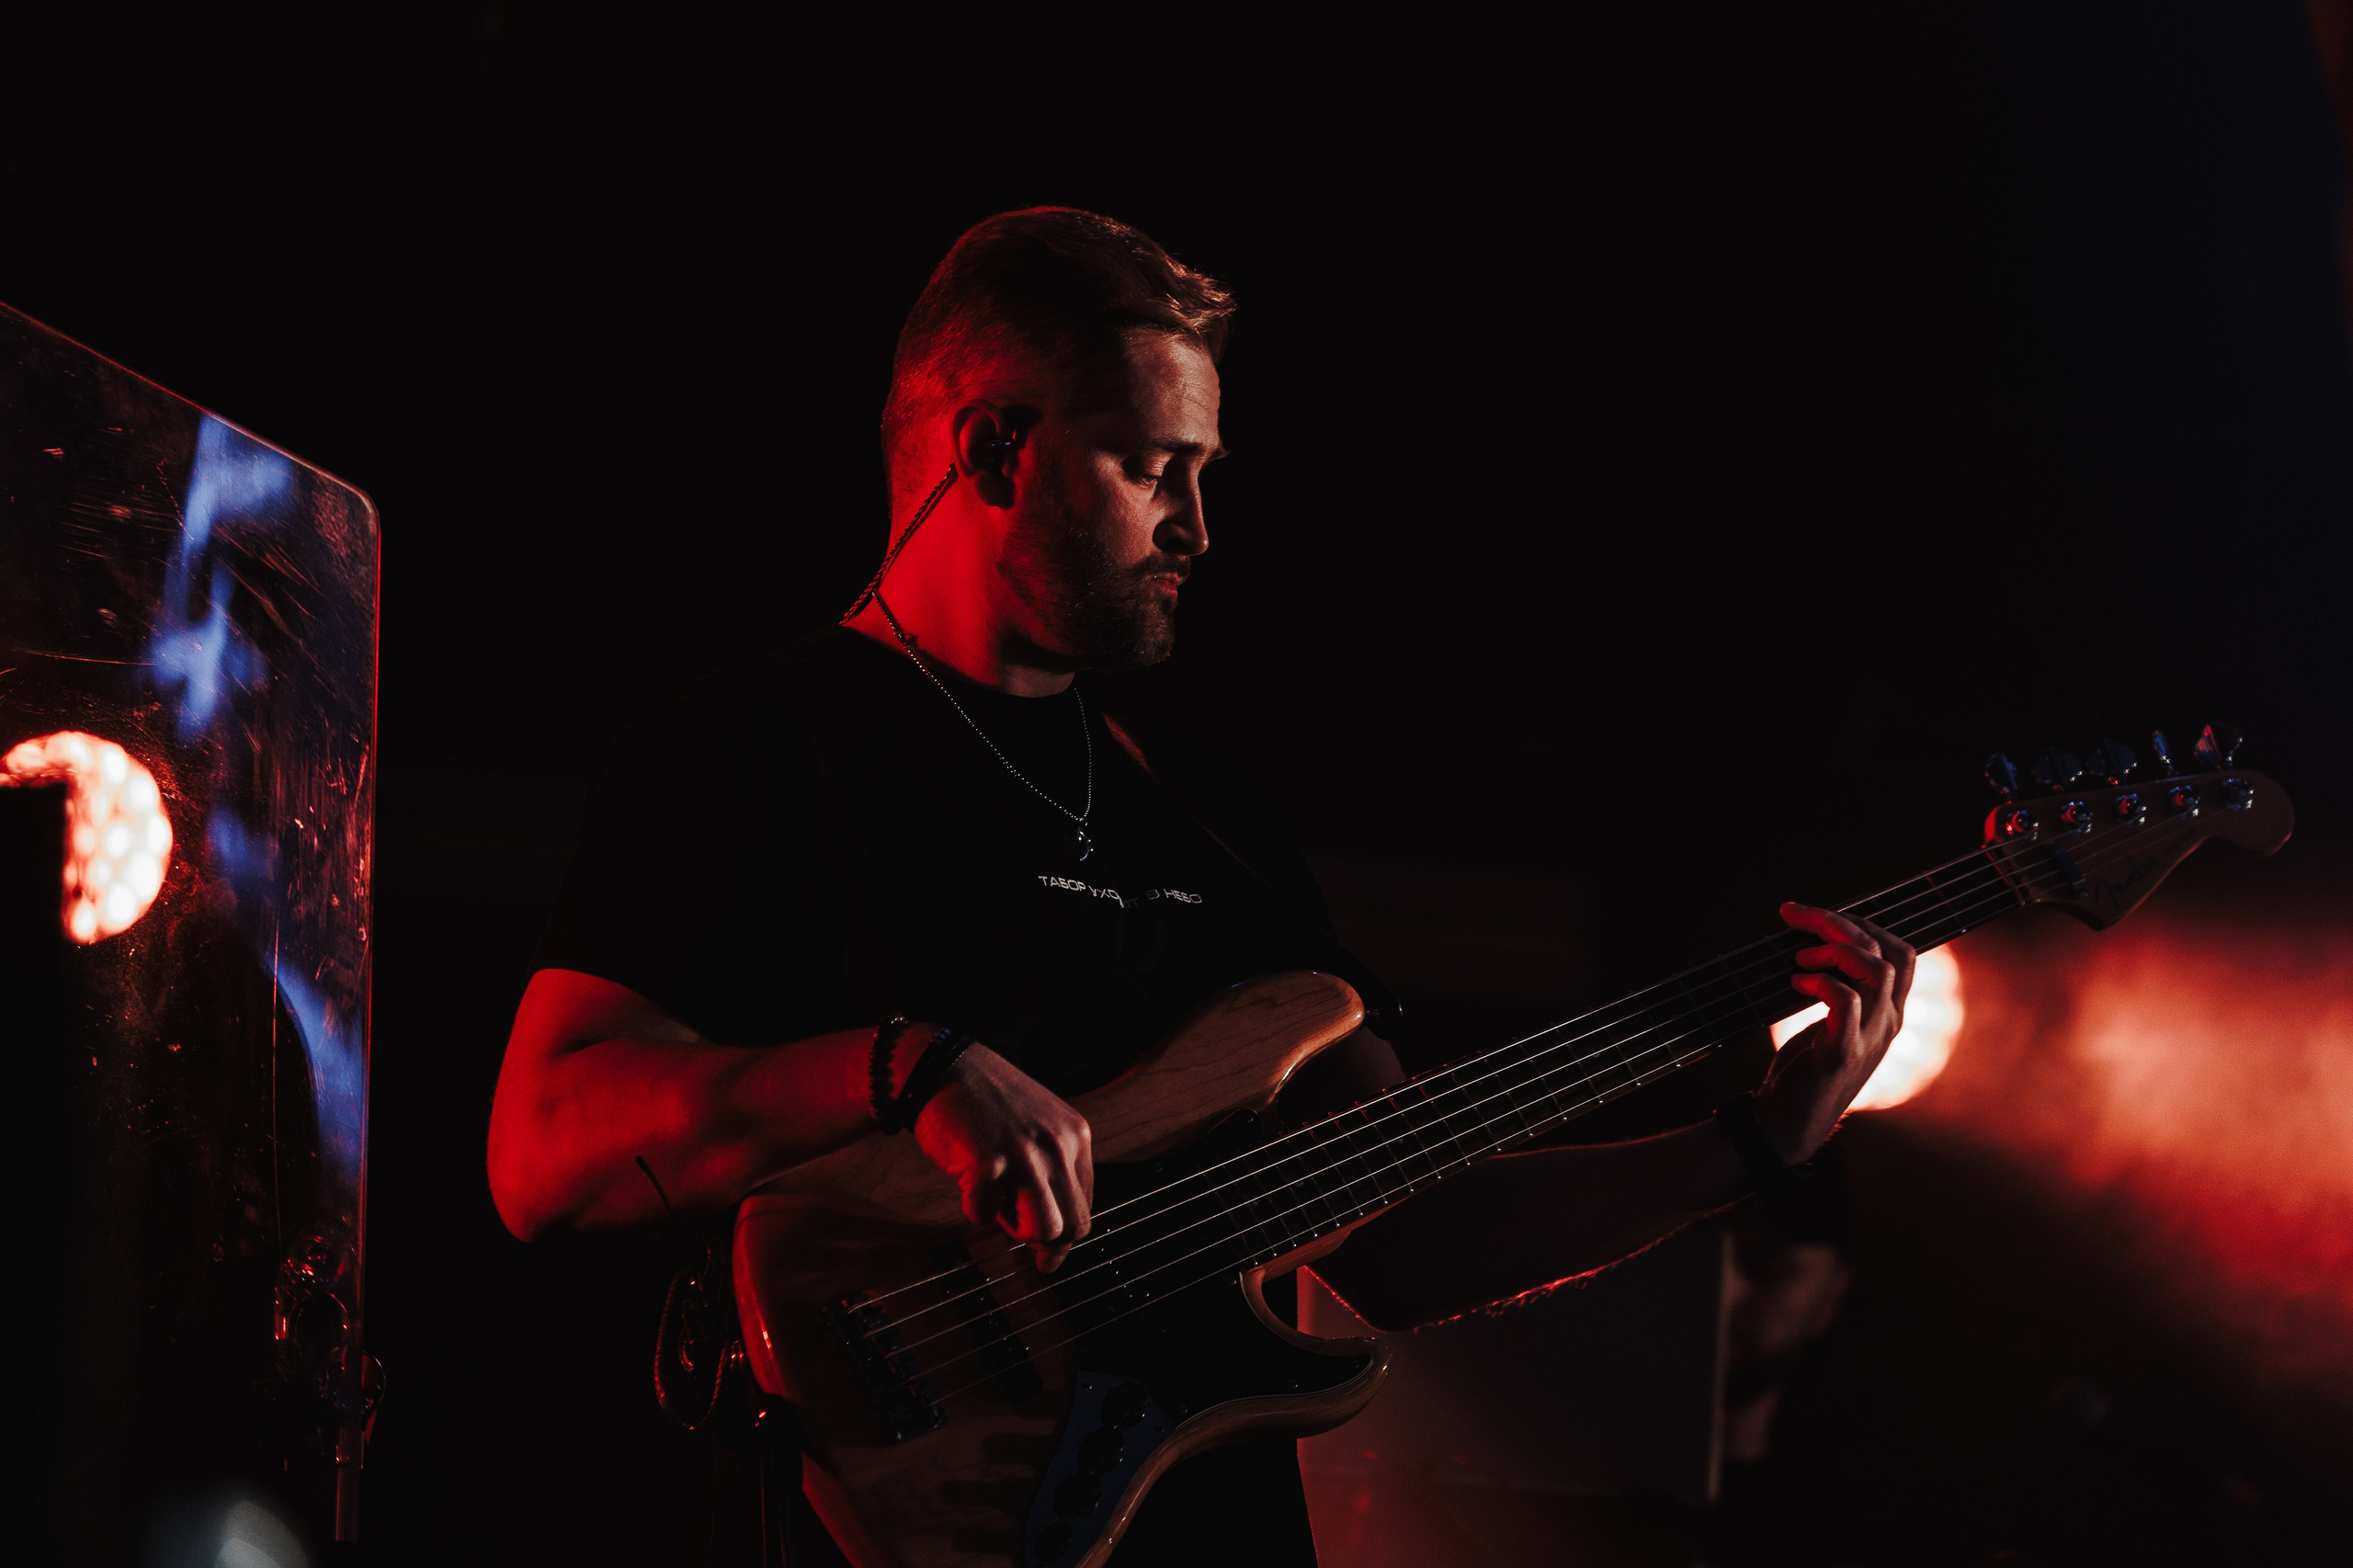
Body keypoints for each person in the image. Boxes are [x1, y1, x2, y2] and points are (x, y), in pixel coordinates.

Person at [486, 207, 1915, 1567]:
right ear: (993, 450)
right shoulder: (751, 752)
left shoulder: (1215, 830)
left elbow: (1402, 1235)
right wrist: (902, 1068)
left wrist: (1751, 1144)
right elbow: (542, 1149)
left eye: (1205, 474)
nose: (1197, 529)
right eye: (1152, 466)